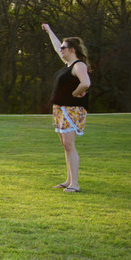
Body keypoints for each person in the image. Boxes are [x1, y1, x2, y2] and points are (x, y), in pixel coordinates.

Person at [42, 23, 91, 193]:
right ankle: (69, 180)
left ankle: (75, 184)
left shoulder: (79, 65)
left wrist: (77, 92)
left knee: (69, 144)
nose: (61, 49)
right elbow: (56, 47)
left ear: (72, 49)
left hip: (72, 110)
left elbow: (86, 83)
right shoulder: (68, 64)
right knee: (65, 145)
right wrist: (49, 30)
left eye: (64, 47)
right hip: (60, 108)